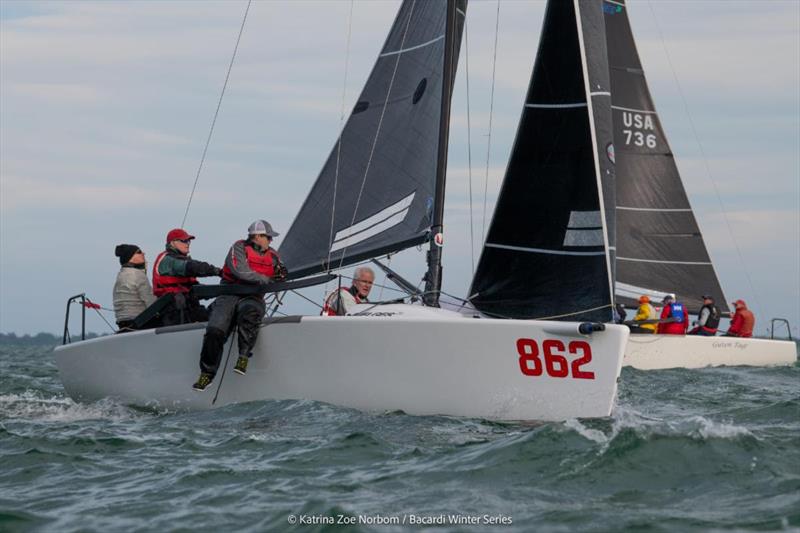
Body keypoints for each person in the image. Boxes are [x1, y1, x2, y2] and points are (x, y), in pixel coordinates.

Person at [192, 220, 288, 392]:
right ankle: (207, 373)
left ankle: (243, 356)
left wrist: (281, 275)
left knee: (249, 314)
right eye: (268, 237)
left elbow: (280, 273)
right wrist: (265, 279)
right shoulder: (238, 248)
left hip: (253, 297)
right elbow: (240, 271)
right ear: (257, 237)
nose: (270, 241)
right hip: (230, 294)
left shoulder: (273, 256)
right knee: (215, 330)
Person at [152, 228, 221, 326]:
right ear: (172, 243)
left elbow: (194, 289)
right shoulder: (168, 261)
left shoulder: (180, 260)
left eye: (188, 241)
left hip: (189, 308)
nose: (187, 243)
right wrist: (218, 271)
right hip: (174, 312)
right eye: (184, 241)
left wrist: (222, 290)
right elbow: (192, 267)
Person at [113, 244, 156, 330]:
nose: (143, 253)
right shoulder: (138, 275)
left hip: (122, 323)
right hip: (140, 323)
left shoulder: (121, 275)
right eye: (139, 252)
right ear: (131, 257)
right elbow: (152, 304)